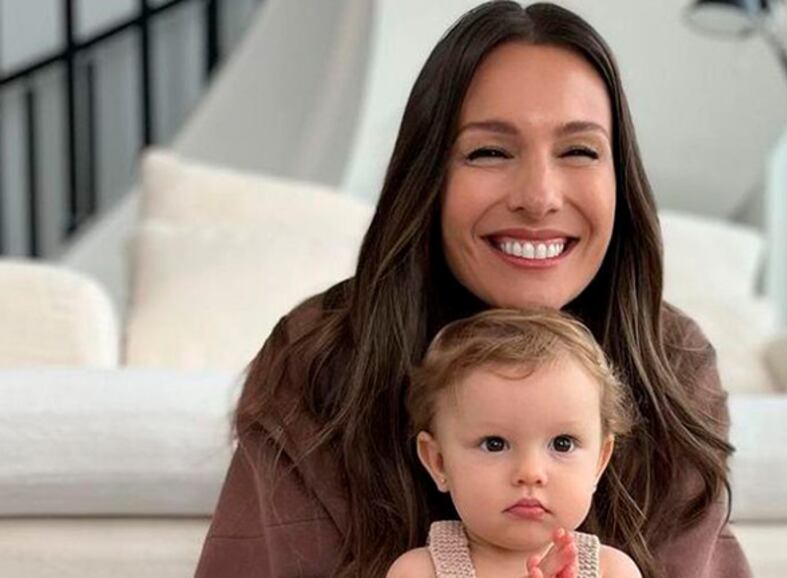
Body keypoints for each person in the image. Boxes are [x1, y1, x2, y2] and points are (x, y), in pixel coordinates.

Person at [194, 2, 753, 577]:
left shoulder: (670, 361)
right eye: (489, 152)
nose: (538, 198)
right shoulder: (320, 356)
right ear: (429, 175)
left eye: (579, 151)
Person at [390, 308, 641, 578]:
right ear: (439, 462)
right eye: (494, 444)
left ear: (599, 462)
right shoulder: (418, 571)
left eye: (562, 444)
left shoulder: (613, 570)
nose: (530, 473)